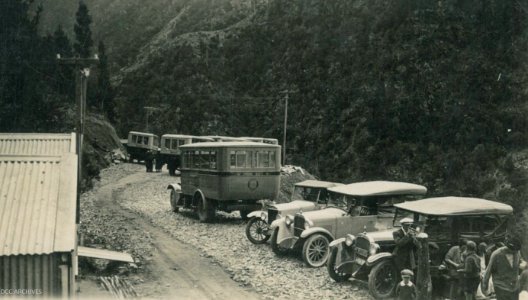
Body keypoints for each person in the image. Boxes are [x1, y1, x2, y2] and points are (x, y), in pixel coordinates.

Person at [482, 236, 524, 300]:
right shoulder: (496, 254)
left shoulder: (517, 252)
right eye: (513, 250)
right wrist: (485, 284)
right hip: (501, 286)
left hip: (514, 286)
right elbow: (488, 270)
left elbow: (520, 261)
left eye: (516, 251)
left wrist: (523, 264)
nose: (515, 252)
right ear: (508, 248)